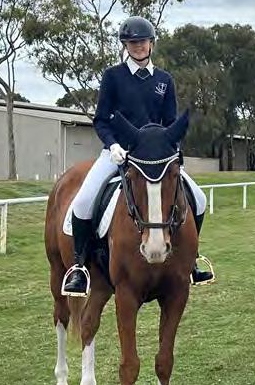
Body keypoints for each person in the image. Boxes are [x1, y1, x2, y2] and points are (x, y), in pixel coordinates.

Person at [61, 16, 215, 297]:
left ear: (151, 43)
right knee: (82, 202)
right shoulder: (113, 77)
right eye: (132, 42)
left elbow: (170, 123)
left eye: (142, 41)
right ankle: (80, 268)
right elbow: (101, 119)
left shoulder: (164, 80)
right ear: (126, 45)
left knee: (199, 198)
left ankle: (191, 260)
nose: (138, 46)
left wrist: (171, 148)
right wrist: (112, 145)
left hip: (155, 159)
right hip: (119, 153)